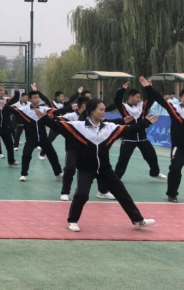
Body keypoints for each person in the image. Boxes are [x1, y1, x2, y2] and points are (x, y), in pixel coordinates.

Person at [41, 99, 158, 233]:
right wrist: (44, 118)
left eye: (104, 110)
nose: (104, 112)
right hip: (86, 168)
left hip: (105, 169)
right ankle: (72, 221)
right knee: (82, 194)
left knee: (122, 193)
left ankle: (138, 221)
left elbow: (129, 129)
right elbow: (57, 126)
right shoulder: (78, 126)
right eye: (101, 109)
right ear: (91, 111)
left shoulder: (109, 127)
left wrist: (146, 123)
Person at [141, 77, 184, 203]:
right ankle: (172, 194)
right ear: (180, 98)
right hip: (179, 148)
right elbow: (159, 99)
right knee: (175, 169)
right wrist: (149, 87)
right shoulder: (175, 109)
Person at [8, 85, 63, 182]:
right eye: (35, 98)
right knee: (26, 155)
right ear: (29, 99)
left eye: (38, 98)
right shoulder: (24, 110)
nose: (37, 99)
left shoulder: (44, 109)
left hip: (43, 138)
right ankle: (24, 174)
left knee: (52, 154)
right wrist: (12, 98)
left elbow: (56, 111)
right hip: (31, 139)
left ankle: (58, 173)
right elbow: (10, 109)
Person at [113, 81, 167, 180]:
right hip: (128, 138)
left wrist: (149, 87)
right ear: (131, 96)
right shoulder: (123, 107)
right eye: (137, 97)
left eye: (140, 97)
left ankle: (154, 173)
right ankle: (116, 178)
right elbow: (117, 100)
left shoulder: (142, 106)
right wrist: (122, 90)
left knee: (152, 156)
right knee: (123, 160)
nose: (139, 99)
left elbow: (152, 98)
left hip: (142, 138)